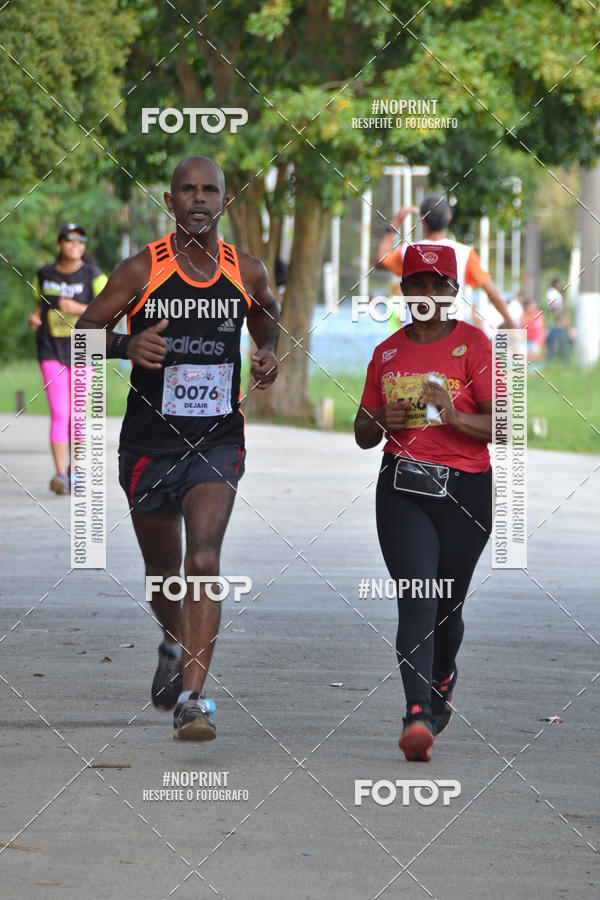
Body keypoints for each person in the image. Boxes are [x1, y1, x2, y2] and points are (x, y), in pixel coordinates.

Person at [76, 156, 280, 741]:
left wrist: (265, 352)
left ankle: (193, 698)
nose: (198, 199)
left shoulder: (248, 269)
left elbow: (267, 314)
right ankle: (172, 641)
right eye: (187, 190)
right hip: (149, 445)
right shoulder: (142, 268)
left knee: (204, 562)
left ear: (225, 198)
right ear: (170, 201)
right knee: (163, 570)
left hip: (217, 441)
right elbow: (81, 334)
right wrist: (125, 345)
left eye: (208, 190)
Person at [355, 243, 493, 762]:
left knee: (447, 606)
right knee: (416, 594)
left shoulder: (475, 347)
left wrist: (454, 416)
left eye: (440, 285)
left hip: (465, 492)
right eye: (417, 284)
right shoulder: (387, 353)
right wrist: (379, 420)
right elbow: (362, 432)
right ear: (404, 290)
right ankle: (416, 715)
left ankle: (441, 678)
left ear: (454, 292)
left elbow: (502, 423)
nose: (428, 295)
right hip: (402, 489)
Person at [29, 224, 107, 494]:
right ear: (59, 244)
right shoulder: (44, 275)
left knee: (77, 415)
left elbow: (109, 313)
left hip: (85, 350)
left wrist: (78, 308)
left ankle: (76, 472)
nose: (76, 245)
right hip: (51, 349)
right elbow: (40, 304)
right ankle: (60, 474)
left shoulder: (94, 276)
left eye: (81, 241)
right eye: (70, 240)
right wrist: (36, 315)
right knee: (60, 413)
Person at [374, 195, 516, 329]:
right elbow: (493, 294)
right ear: (449, 219)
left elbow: (380, 262)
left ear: (422, 220)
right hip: (450, 338)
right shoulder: (464, 253)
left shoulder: (408, 251)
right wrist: (512, 325)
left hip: (415, 337)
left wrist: (395, 225)